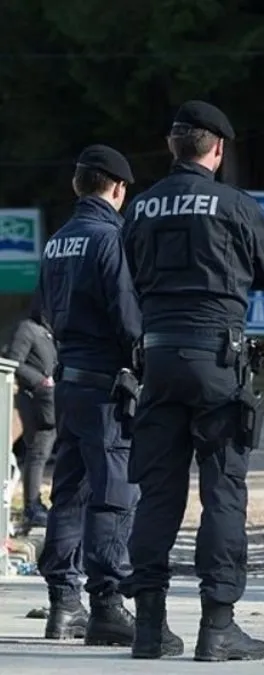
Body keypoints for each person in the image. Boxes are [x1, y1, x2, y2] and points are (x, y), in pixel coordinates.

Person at [118, 101, 264, 661]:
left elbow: (126, 278)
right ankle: (217, 628)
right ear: (217, 148)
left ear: (173, 146)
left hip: (158, 362)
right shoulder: (234, 205)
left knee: (157, 494)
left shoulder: (140, 208)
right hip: (217, 362)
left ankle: (148, 629)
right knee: (221, 491)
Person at [31, 145, 144, 647]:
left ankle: (63, 605)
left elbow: (43, 310)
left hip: (68, 381)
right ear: (117, 188)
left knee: (68, 493)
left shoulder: (57, 241)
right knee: (112, 493)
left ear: (79, 185)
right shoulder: (110, 238)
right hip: (104, 384)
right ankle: (109, 604)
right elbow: (127, 317)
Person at [4, 305, 57, 532]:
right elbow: (14, 362)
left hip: (51, 401)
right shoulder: (28, 329)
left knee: (43, 453)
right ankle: (32, 505)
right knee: (37, 452)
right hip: (34, 399)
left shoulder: (49, 333)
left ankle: (38, 504)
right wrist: (40, 381)